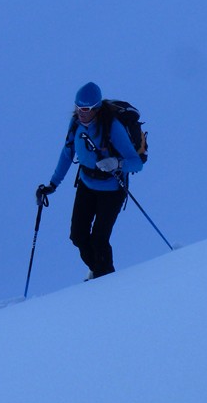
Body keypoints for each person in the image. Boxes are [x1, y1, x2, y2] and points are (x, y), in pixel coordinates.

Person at [36, 82, 144, 280]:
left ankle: (105, 280)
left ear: (96, 108)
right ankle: (101, 274)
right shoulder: (75, 123)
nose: (81, 112)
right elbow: (67, 153)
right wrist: (53, 184)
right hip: (86, 185)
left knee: (100, 239)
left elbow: (136, 163)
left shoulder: (113, 127)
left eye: (85, 109)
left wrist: (117, 163)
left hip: (112, 190)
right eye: (78, 107)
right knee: (78, 236)